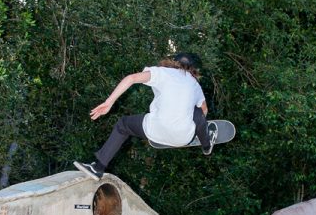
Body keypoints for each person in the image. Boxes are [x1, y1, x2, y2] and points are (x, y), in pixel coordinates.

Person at [74, 53, 217, 181]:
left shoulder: (162, 72)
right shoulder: (194, 85)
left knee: (123, 125)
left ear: (174, 62)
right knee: (197, 113)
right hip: (184, 136)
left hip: (154, 130)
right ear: (194, 70)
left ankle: (98, 167)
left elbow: (131, 78)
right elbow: (204, 110)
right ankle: (206, 144)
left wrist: (108, 102)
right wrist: (192, 125)